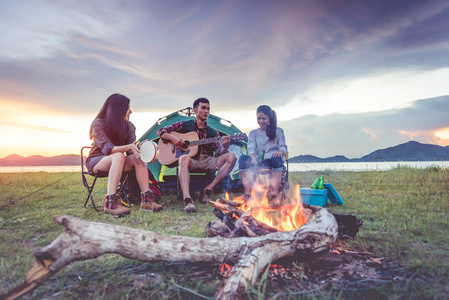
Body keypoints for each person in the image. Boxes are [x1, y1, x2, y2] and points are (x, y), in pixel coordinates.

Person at [86, 93, 163, 217]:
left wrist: (143, 150)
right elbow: (108, 149)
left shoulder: (130, 126)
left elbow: (131, 151)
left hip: (118, 161)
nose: (131, 111)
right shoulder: (99, 123)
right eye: (128, 108)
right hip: (97, 161)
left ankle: (147, 200)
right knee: (118, 155)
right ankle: (110, 204)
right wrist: (129, 147)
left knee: (137, 157)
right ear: (118, 109)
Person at [157, 97, 237, 212]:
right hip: (191, 161)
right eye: (203, 108)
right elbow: (160, 132)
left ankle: (208, 189)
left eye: (208, 109)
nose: (206, 111)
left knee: (232, 156)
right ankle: (187, 199)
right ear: (195, 110)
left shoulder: (213, 133)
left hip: (207, 160)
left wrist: (225, 146)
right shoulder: (183, 125)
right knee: (183, 157)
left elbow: (219, 153)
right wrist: (172, 137)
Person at [238, 105, 287, 206]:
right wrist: (252, 157)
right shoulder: (253, 133)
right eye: (259, 118)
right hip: (257, 161)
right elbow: (251, 147)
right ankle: (247, 194)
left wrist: (280, 152)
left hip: (272, 160)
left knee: (276, 158)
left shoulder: (278, 131)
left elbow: (283, 146)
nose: (261, 121)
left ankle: (274, 196)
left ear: (269, 119)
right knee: (243, 158)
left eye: (264, 118)